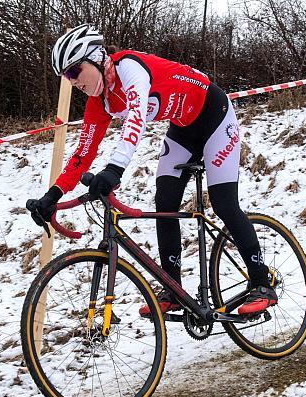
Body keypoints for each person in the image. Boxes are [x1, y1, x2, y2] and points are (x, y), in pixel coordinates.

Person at [27, 24, 277, 315]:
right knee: (165, 203)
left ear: (95, 57)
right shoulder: (100, 101)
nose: (73, 82)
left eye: (74, 72)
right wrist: (53, 194)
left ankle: (261, 283)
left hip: (215, 118)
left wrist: (114, 170)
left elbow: (136, 119)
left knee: (223, 203)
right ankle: (173, 289)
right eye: (67, 77)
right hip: (183, 131)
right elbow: (83, 153)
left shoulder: (130, 68)